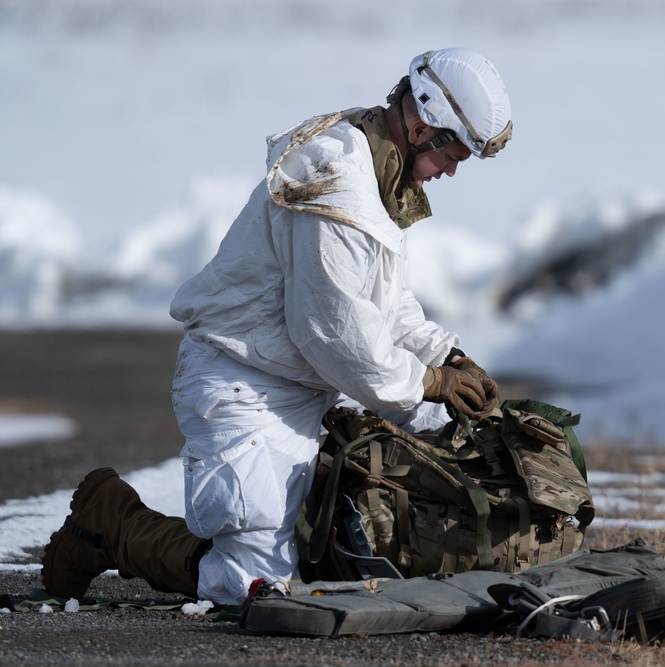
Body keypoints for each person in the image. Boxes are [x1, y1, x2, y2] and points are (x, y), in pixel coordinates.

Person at [41, 47, 512, 605]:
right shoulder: (337, 180)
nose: (454, 169)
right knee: (256, 587)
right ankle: (111, 523)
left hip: (306, 382)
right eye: (453, 152)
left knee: (350, 532)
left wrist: (448, 357)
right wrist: (430, 383)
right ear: (419, 126)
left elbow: (383, 301)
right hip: (245, 384)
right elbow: (333, 334)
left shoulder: (379, 172)